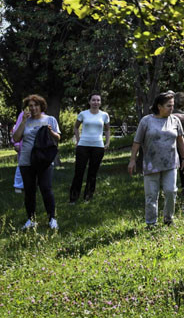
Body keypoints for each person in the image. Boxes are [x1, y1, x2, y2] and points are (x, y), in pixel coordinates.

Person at [128, 91, 184, 228]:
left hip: (171, 163)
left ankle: (168, 219)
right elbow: (137, 142)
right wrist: (132, 160)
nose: (171, 108)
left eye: (172, 105)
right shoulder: (146, 121)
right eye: (169, 106)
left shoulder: (175, 120)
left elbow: (180, 140)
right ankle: (151, 223)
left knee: (171, 191)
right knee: (151, 195)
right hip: (151, 164)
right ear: (159, 106)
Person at [12, 94, 61, 230]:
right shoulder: (25, 121)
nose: (33, 108)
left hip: (44, 161)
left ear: (41, 106)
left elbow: (57, 138)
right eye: (30, 106)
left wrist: (51, 133)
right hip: (26, 161)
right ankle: (30, 219)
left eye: (36, 105)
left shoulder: (50, 119)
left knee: (46, 189)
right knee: (29, 191)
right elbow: (16, 138)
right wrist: (22, 122)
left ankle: (52, 218)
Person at [69, 93, 111, 203]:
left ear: (100, 102)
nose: (96, 102)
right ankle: (73, 198)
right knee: (79, 172)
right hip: (83, 146)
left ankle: (88, 197)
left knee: (92, 173)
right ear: (89, 102)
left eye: (98, 100)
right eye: (93, 100)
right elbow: (76, 128)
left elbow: (107, 130)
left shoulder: (104, 115)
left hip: (98, 147)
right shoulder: (83, 114)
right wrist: (78, 141)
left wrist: (107, 142)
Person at [173, 91, 184, 199]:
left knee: (183, 165)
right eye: (181, 98)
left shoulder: (182, 112)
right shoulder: (172, 112)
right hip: (174, 144)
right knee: (174, 166)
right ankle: (172, 186)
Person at [11, 111, 25, 193]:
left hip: (36, 147)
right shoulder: (23, 114)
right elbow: (16, 129)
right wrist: (16, 143)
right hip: (23, 145)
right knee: (21, 165)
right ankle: (18, 186)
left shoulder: (43, 115)